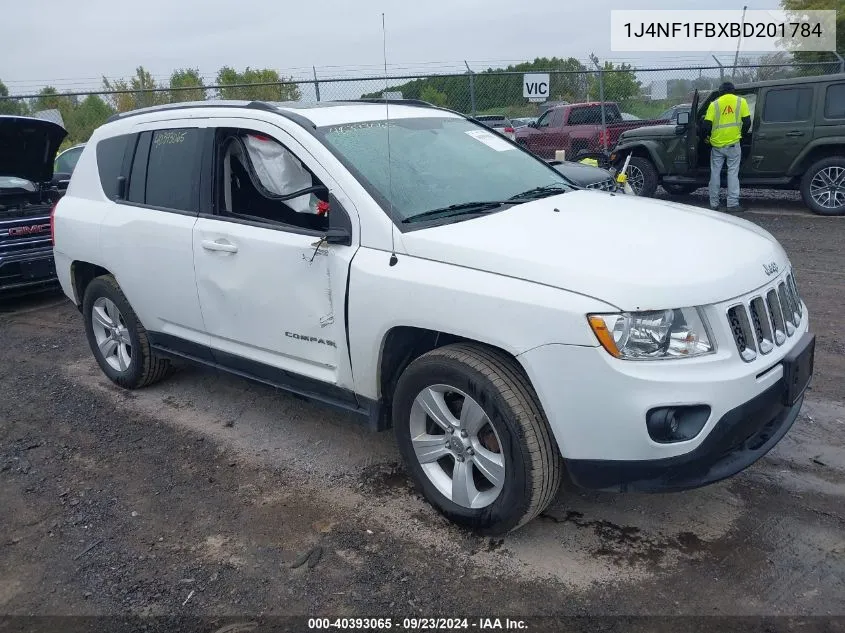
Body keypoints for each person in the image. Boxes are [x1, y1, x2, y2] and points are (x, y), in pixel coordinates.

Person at [702, 82, 751, 213]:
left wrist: (706, 138)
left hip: (717, 145)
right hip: (734, 144)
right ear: (733, 91)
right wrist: (741, 135)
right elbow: (747, 122)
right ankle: (733, 204)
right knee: (733, 173)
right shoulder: (742, 102)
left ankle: (713, 203)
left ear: (720, 92)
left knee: (715, 173)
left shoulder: (714, 104)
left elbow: (706, 125)